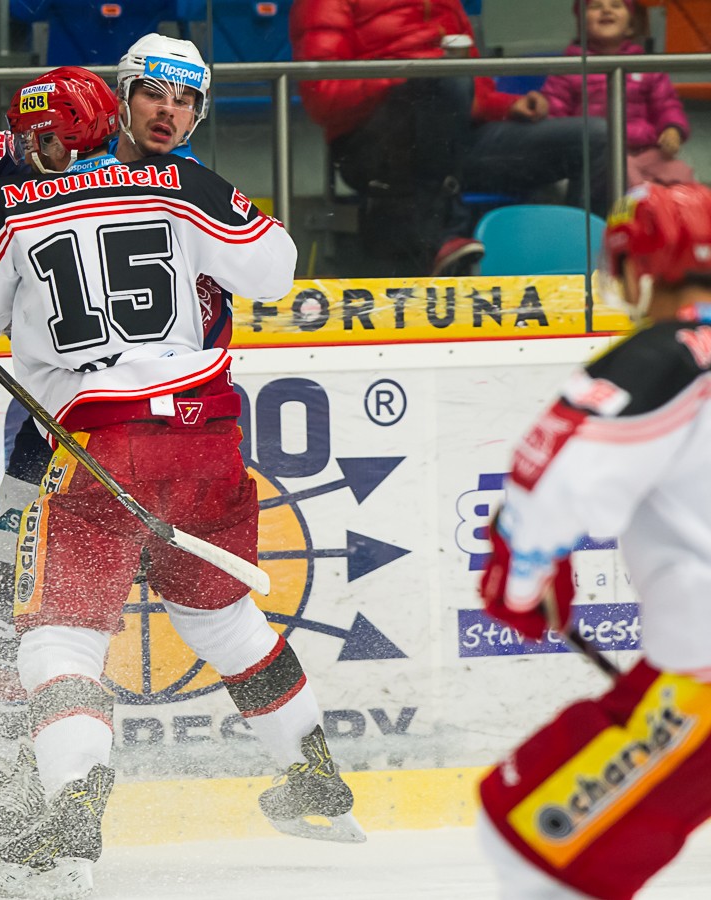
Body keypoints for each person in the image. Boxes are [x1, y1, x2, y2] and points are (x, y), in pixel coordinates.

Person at [0, 65, 361, 899]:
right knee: (208, 616)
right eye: (155, 94)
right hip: (198, 428)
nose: (169, 111)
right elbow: (276, 267)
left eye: (185, 100)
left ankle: (61, 813)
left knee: (50, 631)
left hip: (84, 441)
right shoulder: (182, 184)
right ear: (119, 106)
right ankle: (308, 778)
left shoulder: (17, 198)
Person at [477, 182, 711, 899]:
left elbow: (557, 475)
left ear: (643, 269)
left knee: (531, 835)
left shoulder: (668, 354)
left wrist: (522, 578)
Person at [291, 0, 610, 277]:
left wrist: (506, 105)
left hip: (453, 139)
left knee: (594, 137)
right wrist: (408, 77)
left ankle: (595, 266)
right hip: (374, 148)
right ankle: (443, 237)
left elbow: (471, 90)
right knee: (442, 80)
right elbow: (323, 96)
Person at [543, 0, 695, 188]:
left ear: (630, 26)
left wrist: (673, 130)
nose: (606, 10)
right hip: (595, 155)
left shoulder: (645, 65)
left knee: (680, 173)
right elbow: (554, 117)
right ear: (582, 24)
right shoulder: (570, 67)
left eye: (616, 5)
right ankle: (644, 204)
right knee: (622, 172)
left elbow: (667, 105)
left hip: (646, 150)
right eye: (596, 6)